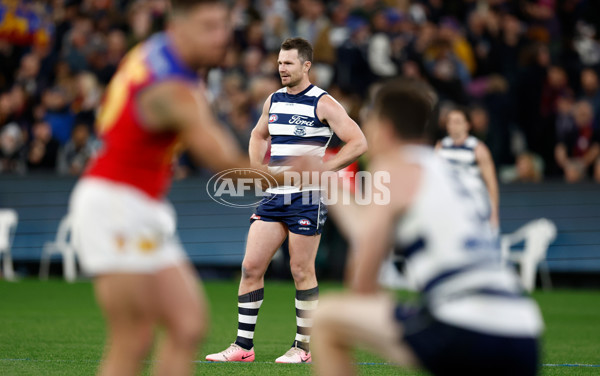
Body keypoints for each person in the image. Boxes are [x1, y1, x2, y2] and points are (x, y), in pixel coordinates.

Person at [69, 1, 275, 375]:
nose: (221, 37)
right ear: (177, 27)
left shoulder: (160, 53)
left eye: (224, 25)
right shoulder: (173, 88)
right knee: (134, 337)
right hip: (114, 205)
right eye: (208, 26)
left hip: (139, 207)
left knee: (187, 323)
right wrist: (305, 174)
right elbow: (226, 165)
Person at [311, 79, 543, 376]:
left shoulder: (392, 168)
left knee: (328, 318)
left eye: (369, 119)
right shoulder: (442, 168)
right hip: (523, 328)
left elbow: (362, 283)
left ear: (385, 127)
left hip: (466, 327)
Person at [206, 37, 367, 364]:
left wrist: (323, 167)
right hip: (274, 195)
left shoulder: (324, 103)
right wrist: (255, 169)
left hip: (307, 197)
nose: (281, 67)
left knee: (300, 270)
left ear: (306, 66)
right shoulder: (274, 100)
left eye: (288, 63)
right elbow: (257, 134)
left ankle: (302, 349)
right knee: (251, 266)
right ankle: (243, 347)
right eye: (280, 62)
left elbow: (358, 142)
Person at [435, 107, 500, 232]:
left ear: (467, 125)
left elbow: (491, 183)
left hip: (473, 206)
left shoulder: (478, 148)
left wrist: (494, 213)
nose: (453, 125)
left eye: (457, 122)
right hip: (448, 206)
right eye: (450, 122)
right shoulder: (440, 148)